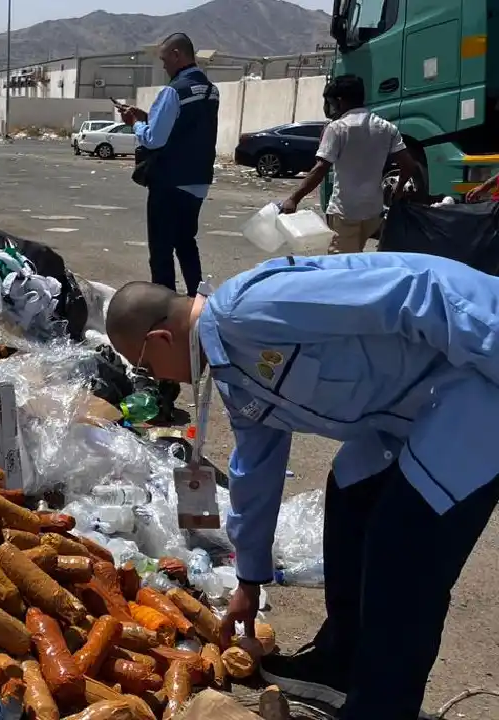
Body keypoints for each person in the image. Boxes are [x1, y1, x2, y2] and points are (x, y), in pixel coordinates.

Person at [103, 252, 499, 720]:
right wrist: (249, 577)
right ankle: (340, 661)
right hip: (408, 408)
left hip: (474, 383)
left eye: (146, 366)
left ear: (160, 339)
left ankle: (381, 707)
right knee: (351, 494)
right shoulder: (233, 370)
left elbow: (416, 290)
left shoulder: (253, 307)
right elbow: (256, 466)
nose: (156, 380)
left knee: (404, 550)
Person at [117, 33, 219, 297]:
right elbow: (186, 127)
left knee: (161, 251)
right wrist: (150, 117)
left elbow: (153, 139)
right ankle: (198, 302)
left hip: (170, 182)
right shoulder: (210, 90)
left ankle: (165, 310)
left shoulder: (173, 91)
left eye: (164, 60)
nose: (163, 66)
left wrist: (136, 123)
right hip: (198, 181)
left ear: (177, 55)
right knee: (186, 243)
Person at [281, 74, 420, 254]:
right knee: (358, 259)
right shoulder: (386, 127)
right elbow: (409, 165)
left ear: (340, 100)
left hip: (345, 212)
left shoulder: (338, 128)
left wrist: (294, 199)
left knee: (341, 267)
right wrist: (399, 189)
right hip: (373, 212)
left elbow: (320, 169)